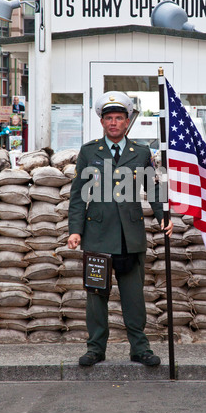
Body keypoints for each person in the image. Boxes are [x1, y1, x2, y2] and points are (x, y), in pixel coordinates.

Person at [68, 91, 173, 367]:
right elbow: (78, 195)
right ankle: (95, 349)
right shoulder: (89, 152)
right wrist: (75, 230)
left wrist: (163, 216)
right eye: (108, 118)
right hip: (98, 235)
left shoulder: (140, 152)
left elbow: (152, 187)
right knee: (96, 296)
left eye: (119, 118)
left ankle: (140, 348)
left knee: (133, 297)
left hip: (130, 236)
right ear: (102, 122)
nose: (113, 123)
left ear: (128, 121)